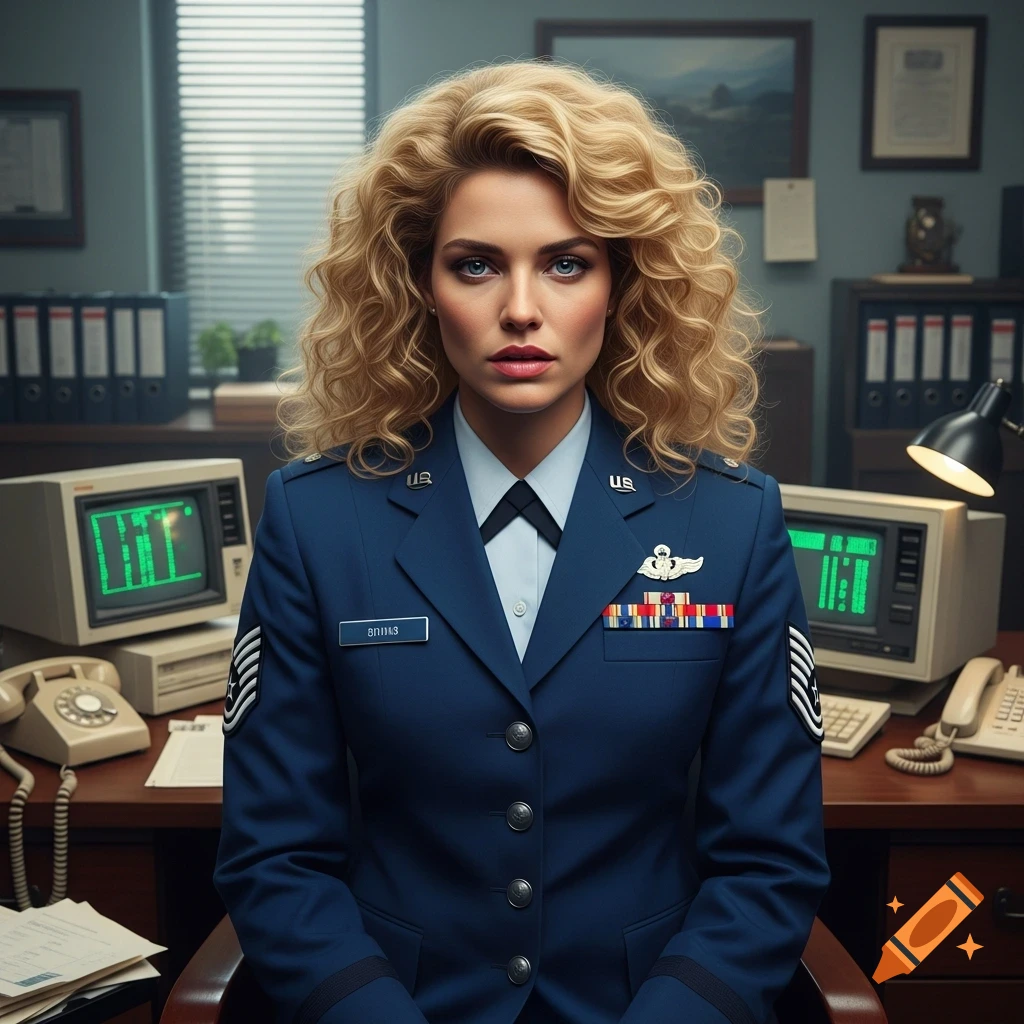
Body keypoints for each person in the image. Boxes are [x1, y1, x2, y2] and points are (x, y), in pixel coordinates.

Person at [212, 58, 830, 1024]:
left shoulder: (730, 521)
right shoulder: (317, 520)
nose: (521, 311)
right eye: (476, 264)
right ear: (418, 284)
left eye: (566, 263)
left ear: (625, 287)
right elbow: (276, 859)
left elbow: (768, 862)